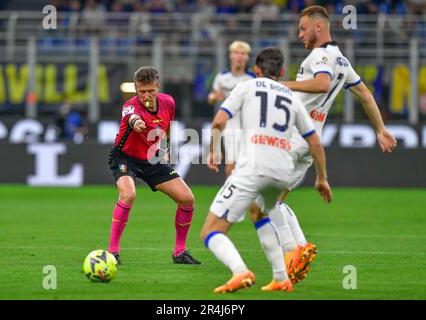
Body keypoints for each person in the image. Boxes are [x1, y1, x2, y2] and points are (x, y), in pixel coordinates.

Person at [250, 5, 398, 284]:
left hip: (291, 139)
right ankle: (300, 249)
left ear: (319, 27)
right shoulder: (341, 59)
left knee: (262, 199)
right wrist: (381, 129)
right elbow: (365, 94)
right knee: (272, 201)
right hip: (309, 141)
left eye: (303, 28)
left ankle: (294, 252)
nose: (299, 34)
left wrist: (281, 85)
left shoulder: (319, 56)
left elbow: (320, 84)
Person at [201, 47, 332, 293]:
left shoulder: (246, 86)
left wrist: (213, 151)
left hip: (253, 168)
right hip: (282, 170)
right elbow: (315, 141)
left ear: (256, 70)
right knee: (259, 213)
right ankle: (281, 276)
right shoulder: (292, 96)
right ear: (282, 72)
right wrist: (322, 178)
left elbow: (219, 121)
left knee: (210, 231)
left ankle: (240, 272)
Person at [107, 66, 200, 265]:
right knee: (128, 194)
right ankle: (113, 252)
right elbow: (131, 117)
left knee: (187, 198)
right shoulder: (130, 107)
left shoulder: (168, 102)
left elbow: (167, 127)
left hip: (152, 159)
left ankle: (180, 252)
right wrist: (136, 122)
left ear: (158, 87)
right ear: (135, 88)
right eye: (142, 91)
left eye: (151, 91)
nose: (147, 96)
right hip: (124, 158)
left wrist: (165, 149)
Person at [208, 40, 255, 177]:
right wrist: (214, 97)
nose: (240, 56)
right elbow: (212, 97)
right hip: (230, 125)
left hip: (248, 124)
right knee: (231, 168)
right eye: (236, 53)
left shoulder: (251, 78)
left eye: (243, 53)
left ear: (247, 57)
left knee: (249, 168)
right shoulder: (222, 77)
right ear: (230, 56)